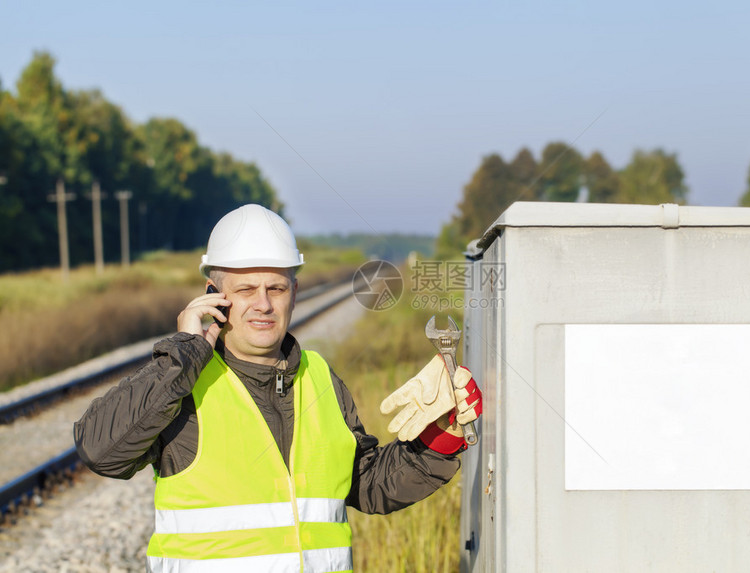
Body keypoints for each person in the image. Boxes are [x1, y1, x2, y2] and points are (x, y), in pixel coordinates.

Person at [73, 204, 482, 573]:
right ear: (214, 297)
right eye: (246, 290)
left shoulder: (320, 377)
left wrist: (440, 437)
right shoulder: (183, 386)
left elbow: (368, 484)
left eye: (277, 288)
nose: (264, 304)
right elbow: (100, 450)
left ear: (295, 293)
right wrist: (183, 355)